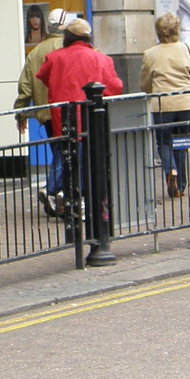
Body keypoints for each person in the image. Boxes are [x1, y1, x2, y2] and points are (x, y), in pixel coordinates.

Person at [34, 19, 123, 225]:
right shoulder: (101, 58)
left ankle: (67, 196)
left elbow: (43, 76)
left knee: (67, 157)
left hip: (62, 117)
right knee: (88, 162)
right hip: (90, 118)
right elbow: (115, 87)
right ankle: (80, 202)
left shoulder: (54, 58)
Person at [14, 7, 73, 217]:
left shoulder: (37, 52)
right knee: (65, 152)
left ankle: (60, 194)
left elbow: (26, 87)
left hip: (46, 112)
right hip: (66, 109)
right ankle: (52, 189)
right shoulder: (69, 48)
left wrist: (21, 113)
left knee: (59, 150)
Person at [139, 13, 190, 198]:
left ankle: (170, 169)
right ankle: (180, 185)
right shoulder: (188, 49)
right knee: (181, 142)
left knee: (163, 142)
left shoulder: (150, 53)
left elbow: (144, 84)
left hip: (162, 104)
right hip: (185, 103)